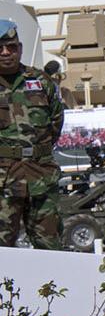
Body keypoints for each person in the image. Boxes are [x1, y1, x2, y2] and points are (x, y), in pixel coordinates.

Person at [0, 19, 65, 249]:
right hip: (3, 179)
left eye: (12, 47)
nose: (6, 53)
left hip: (41, 176)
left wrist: (37, 151)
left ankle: (51, 286)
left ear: (20, 48)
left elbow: (56, 122)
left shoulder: (40, 81)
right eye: (0, 48)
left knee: (51, 246)